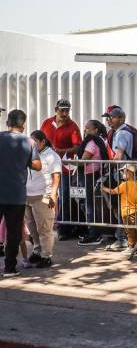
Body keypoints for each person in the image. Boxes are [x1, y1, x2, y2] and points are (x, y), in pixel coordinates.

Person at [0, 109, 42, 277]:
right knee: (13, 232)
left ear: (8, 123)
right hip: (16, 195)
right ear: (23, 125)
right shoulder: (30, 142)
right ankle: (10, 268)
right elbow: (38, 166)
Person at [40, 99, 83, 240]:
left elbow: (78, 147)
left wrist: (60, 151)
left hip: (64, 167)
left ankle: (64, 228)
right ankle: (43, 226)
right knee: (44, 195)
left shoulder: (73, 126)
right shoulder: (47, 123)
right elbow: (39, 140)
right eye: (62, 110)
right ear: (55, 109)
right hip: (45, 166)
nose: (65, 113)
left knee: (64, 196)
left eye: (67, 110)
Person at [24, 130, 62, 268]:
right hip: (28, 195)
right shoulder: (31, 154)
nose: (31, 145)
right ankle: (37, 250)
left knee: (44, 228)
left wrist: (52, 194)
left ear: (42, 142)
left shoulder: (52, 156)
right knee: (32, 227)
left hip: (43, 195)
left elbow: (56, 177)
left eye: (34, 143)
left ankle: (46, 255)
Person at [78, 120, 111, 246]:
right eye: (85, 128)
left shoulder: (91, 143)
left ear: (95, 129)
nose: (85, 130)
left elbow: (84, 160)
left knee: (89, 205)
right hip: (92, 174)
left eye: (88, 128)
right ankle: (92, 231)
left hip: (90, 175)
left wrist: (71, 162)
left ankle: (94, 233)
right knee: (88, 204)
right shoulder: (98, 141)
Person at [105, 107, 134, 250]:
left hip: (122, 174)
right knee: (122, 207)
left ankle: (122, 239)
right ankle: (124, 237)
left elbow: (119, 156)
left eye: (112, 117)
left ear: (121, 119)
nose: (109, 120)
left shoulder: (122, 133)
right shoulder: (123, 132)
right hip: (124, 173)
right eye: (109, 117)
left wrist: (107, 164)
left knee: (121, 207)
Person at [102, 164, 137, 255]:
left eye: (124, 171)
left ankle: (131, 247)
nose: (122, 173)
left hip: (126, 211)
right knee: (136, 230)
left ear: (130, 172)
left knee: (129, 231)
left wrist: (103, 188)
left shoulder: (124, 185)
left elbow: (113, 191)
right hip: (136, 211)